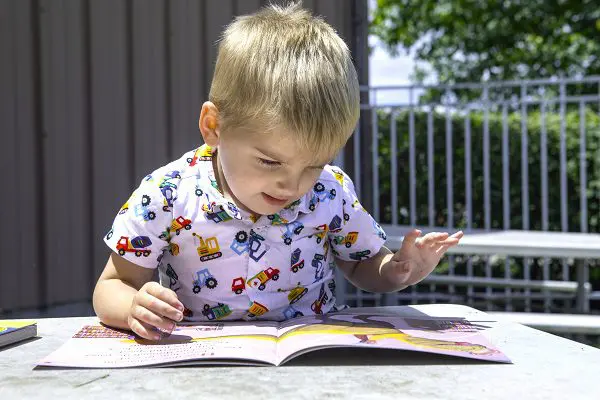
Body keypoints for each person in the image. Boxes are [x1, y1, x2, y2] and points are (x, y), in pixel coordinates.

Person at [93, 2, 463, 341]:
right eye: (270, 162)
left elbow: (362, 263)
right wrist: (132, 307)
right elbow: (112, 285)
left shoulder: (329, 191)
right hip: (202, 364)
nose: (293, 184)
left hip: (311, 359)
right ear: (213, 126)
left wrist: (395, 271)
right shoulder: (167, 193)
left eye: (315, 165)